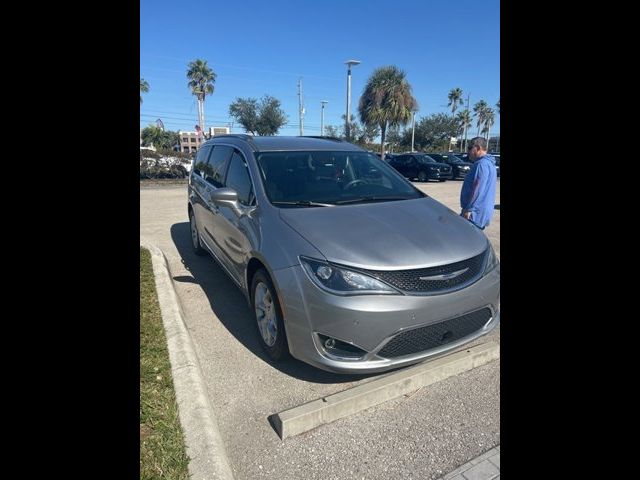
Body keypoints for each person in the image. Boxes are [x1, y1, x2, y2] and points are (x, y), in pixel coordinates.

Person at [460, 137, 497, 230]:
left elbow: (477, 189)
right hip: (479, 212)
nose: (467, 151)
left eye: (469, 148)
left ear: (477, 147)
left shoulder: (481, 164)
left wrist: (469, 209)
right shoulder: (489, 163)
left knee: (465, 241)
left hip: (473, 214)